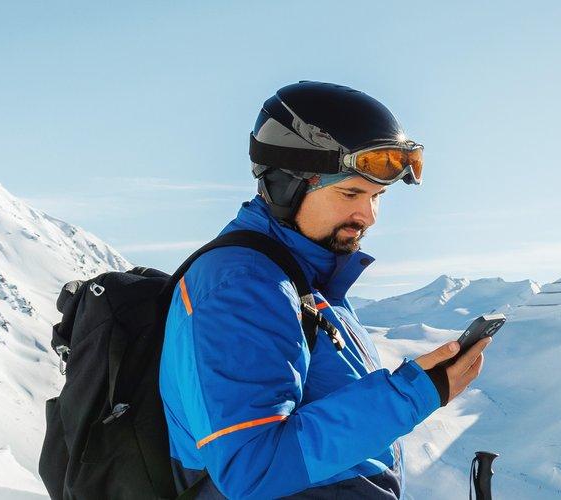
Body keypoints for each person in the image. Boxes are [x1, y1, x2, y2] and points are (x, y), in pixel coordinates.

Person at [159, 81, 489, 499]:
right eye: (350, 192)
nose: (367, 215)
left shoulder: (305, 276)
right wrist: (413, 394)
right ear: (285, 186)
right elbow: (252, 467)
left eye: (378, 196)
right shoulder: (242, 288)